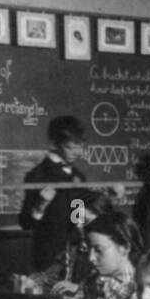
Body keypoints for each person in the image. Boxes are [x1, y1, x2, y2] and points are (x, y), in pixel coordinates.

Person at [18, 116, 117, 275]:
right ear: (54, 144)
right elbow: (26, 223)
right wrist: (41, 205)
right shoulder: (37, 175)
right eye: (71, 147)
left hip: (76, 256)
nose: (77, 152)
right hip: (49, 258)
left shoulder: (78, 176)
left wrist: (108, 198)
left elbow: (77, 215)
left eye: (80, 147)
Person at [6, 212, 141, 299]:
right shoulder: (92, 281)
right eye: (89, 250)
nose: (91, 258)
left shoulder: (140, 284)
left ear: (125, 248)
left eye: (99, 250)